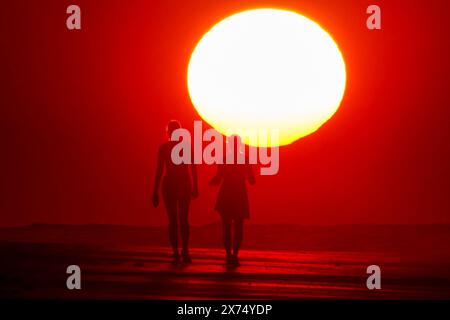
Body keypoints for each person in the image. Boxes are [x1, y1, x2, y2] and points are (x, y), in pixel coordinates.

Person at [152, 120, 198, 263]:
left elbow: (160, 171)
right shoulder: (184, 147)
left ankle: (179, 251)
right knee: (181, 219)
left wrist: (155, 190)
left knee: (175, 220)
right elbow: (193, 168)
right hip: (180, 183)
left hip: (175, 183)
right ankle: (182, 250)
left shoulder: (165, 148)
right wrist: (195, 186)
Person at [210, 135, 255, 265]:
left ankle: (228, 254)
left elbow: (218, 178)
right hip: (239, 193)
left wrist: (211, 182)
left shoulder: (224, 159)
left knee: (226, 225)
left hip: (226, 193)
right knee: (238, 225)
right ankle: (235, 254)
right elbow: (252, 181)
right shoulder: (245, 159)